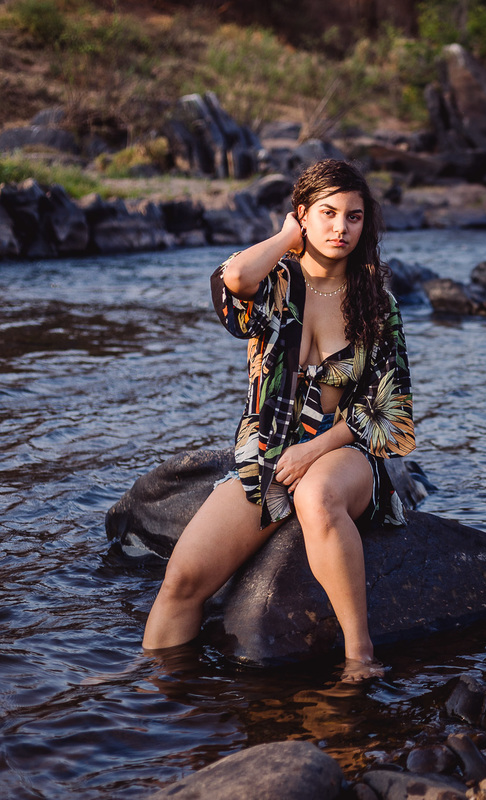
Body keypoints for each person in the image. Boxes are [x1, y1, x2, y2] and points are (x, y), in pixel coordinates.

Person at [143, 159, 414, 681]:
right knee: (182, 581)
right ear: (303, 214)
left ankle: (360, 655)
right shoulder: (275, 284)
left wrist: (314, 449)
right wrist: (288, 237)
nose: (341, 228)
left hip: (343, 451)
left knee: (316, 495)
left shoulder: (375, 301)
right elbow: (233, 280)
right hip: (266, 457)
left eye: (354, 216)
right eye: (327, 213)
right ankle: (152, 688)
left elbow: (392, 412)